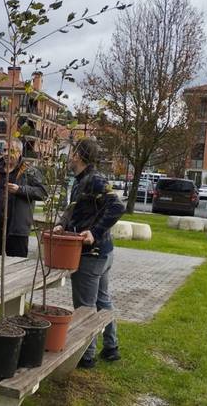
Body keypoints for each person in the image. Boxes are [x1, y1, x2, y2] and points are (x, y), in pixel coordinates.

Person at [53, 139, 125, 369]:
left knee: (85, 306)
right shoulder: (81, 181)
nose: (69, 156)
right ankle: (111, 347)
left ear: (79, 155)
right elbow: (74, 208)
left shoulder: (94, 180)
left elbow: (117, 205)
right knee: (103, 301)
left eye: (72, 152)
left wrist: (94, 232)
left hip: (92, 254)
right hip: (102, 254)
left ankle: (86, 355)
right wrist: (62, 224)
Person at [0, 139, 47, 257]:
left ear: (19, 153)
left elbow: (43, 192)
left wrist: (20, 189)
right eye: (4, 150)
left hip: (17, 231)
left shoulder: (29, 172)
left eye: (11, 150)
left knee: (16, 266)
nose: (7, 153)